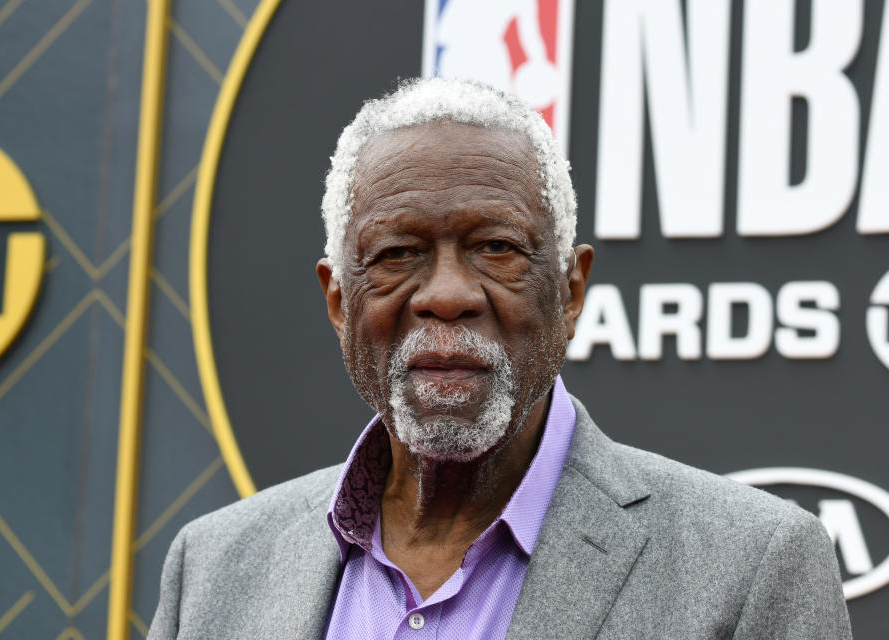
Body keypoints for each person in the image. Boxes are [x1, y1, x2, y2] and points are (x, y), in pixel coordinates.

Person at [147, 78, 852, 639]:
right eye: (398, 255)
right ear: (339, 300)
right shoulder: (213, 569)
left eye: (497, 249)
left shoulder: (752, 568)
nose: (448, 296)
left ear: (570, 291)